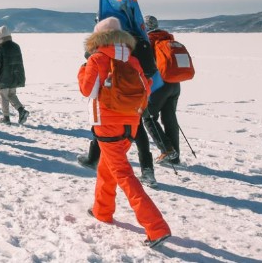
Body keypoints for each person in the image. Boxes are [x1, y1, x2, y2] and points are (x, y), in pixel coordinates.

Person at [78, 17, 171, 248]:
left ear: (98, 37)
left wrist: (83, 69)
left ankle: (156, 226)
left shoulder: (97, 58)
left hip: (107, 124)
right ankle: (102, 210)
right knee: (107, 167)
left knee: (122, 173)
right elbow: (147, 88)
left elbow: (87, 90)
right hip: (131, 123)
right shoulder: (133, 59)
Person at [143, 15, 183, 165]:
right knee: (170, 119)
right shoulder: (168, 38)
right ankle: (175, 157)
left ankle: (167, 150)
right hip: (175, 84)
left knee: (148, 117)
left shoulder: (148, 41)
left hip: (159, 85)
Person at [0, 25, 30, 125]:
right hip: (15, 76)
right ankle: (21, 110)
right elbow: (20, 63)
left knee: (4, 96)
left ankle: (6, 118)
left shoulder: (0, 47)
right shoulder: (16, 46)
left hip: (4, 78)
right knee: (11, 94)